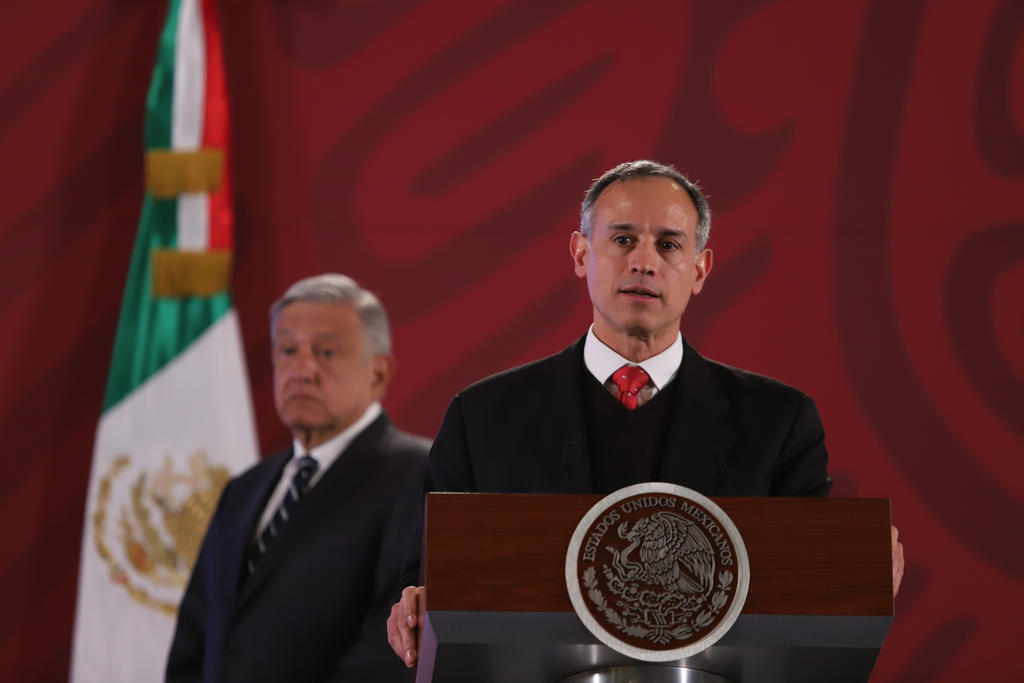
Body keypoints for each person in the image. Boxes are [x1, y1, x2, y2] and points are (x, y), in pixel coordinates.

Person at [386, 160, 904, 667]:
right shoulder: (483, 417)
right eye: (623, 239)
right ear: (581, 253)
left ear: (699, 270)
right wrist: (411, 606)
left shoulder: (778, 421)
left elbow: (810, 589)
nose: (644, 262)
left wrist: (857, 576)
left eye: (669, 244)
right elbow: (425, 582)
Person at [167, 274, 429, 683]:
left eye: (326, 352)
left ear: (378, 373)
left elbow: (393, 648)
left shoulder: (419, 473)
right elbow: (195, 639)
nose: (302, 370)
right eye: (288, 350)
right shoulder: (243, 489)